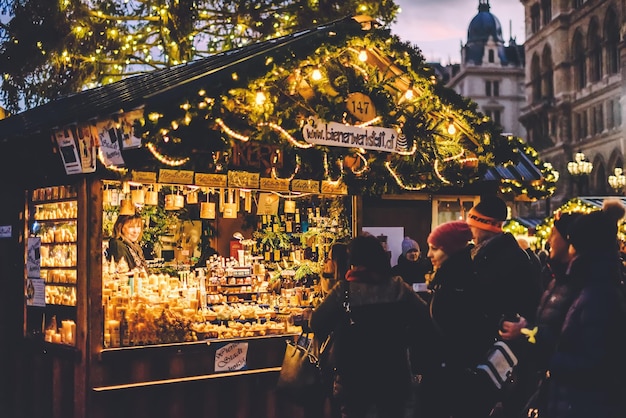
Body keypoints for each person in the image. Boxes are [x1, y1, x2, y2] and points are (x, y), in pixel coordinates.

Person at [309, 234, 436, 418]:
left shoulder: (344, 291)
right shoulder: (398, 287)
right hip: (394, 372)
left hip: (353, 376)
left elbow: (316, 323)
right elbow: (424, 319)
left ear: (352, 261)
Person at [542, 199, 626, 418]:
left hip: (586, 405)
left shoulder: (597, 293)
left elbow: (597, 363)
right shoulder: (593, 285)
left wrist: (545, 354)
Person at [499, 212, 585, 416]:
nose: (548, 240)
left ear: (569, 241)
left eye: (553, 234)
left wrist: (527, 332)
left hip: (570, 396)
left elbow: (576, 345)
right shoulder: (558, 279)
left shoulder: (584, 286)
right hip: (551, 387)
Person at [466, 195, 543, 417]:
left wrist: (511, 324)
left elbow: (522, 303)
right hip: (497, 348)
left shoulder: (505, 257)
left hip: (502, 352)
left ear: (483, 226)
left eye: (472, 226)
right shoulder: (494, 254)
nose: (470, 233)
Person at [419, 220, 492, 418]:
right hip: (447, 371)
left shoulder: (456, 283)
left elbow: (457, 334)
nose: (429, 254)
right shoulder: (451, 279)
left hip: (450, 375)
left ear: (450, 250)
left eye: (435, 248)